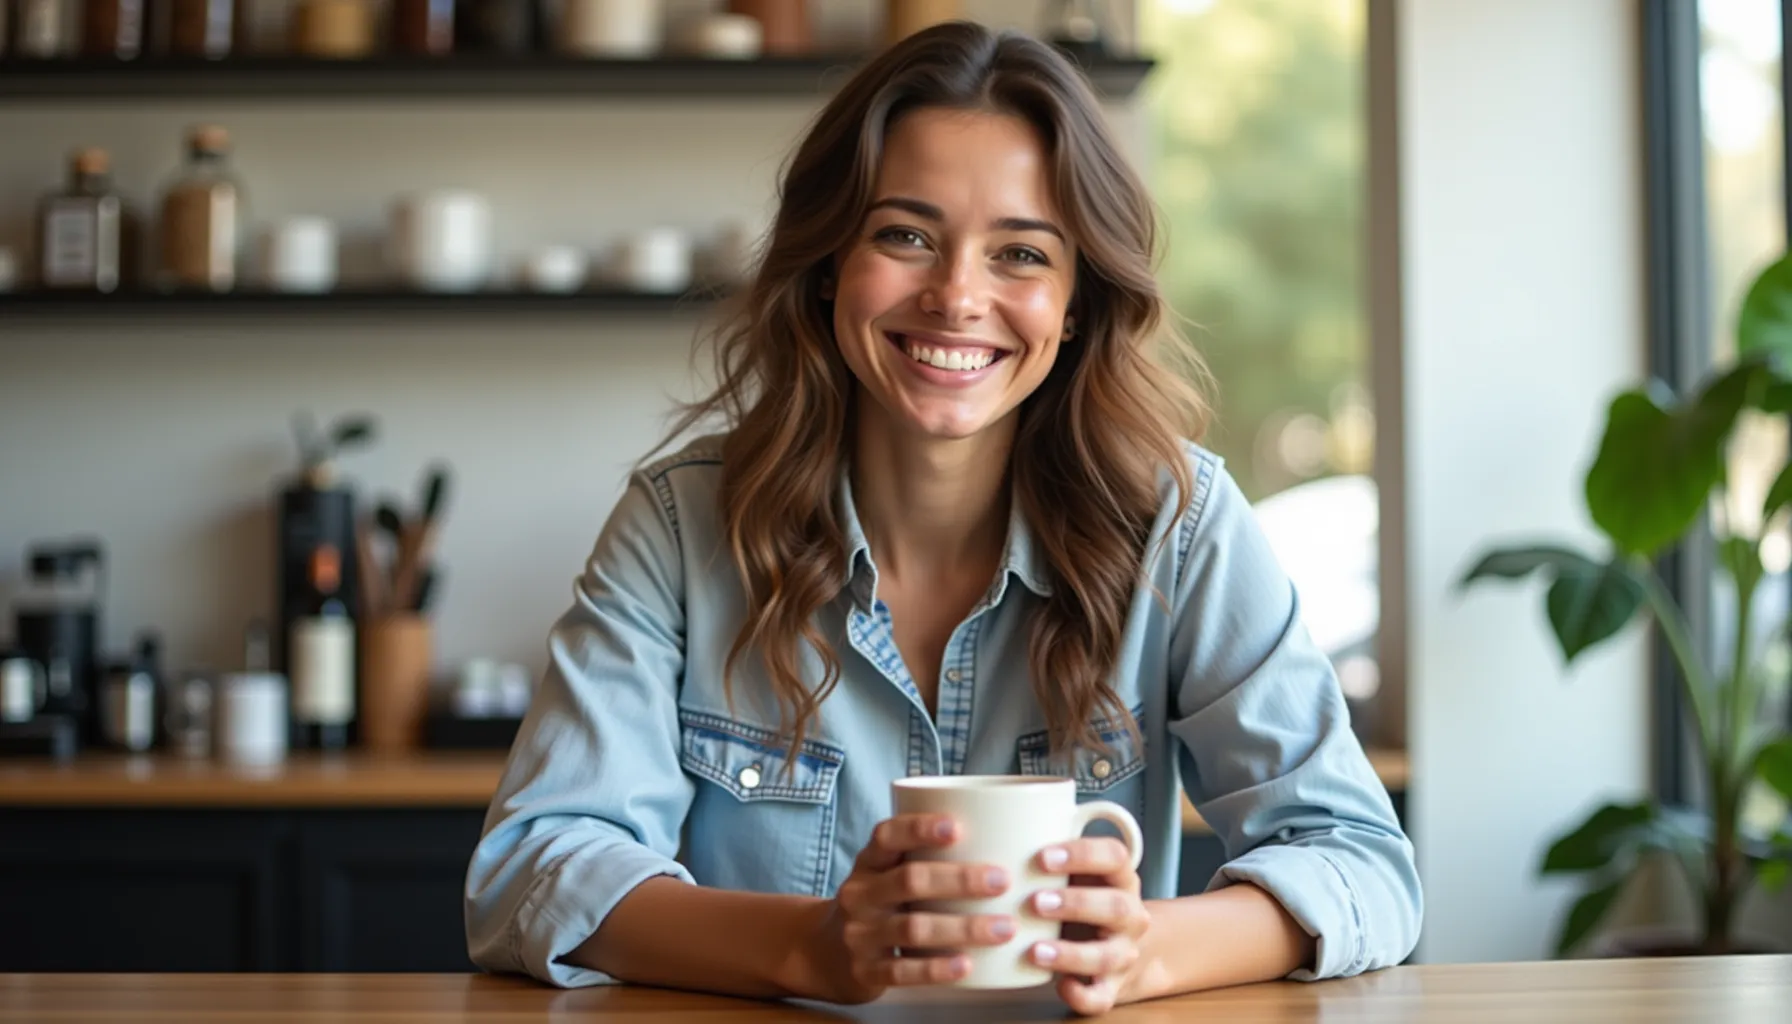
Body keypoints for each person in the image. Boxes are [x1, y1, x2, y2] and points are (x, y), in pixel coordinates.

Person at [464, 21, 1422, 1015]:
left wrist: (1150, 951)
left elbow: (1360, 864)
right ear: (830, 259)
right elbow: (531, 867)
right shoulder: (679, 524)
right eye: (905, 235)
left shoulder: (1178, 524)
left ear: (1076, 302)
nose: (958, 296)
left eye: (1020, 252)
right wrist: (811, 948)